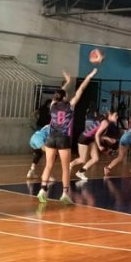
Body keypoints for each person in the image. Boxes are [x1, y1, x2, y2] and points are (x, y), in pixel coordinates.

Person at [36, 68, 100, 205]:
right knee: (65, 168)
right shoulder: (70, 105)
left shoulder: (52, 105)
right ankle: (64, 194)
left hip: (51, 137)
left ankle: (42, 190)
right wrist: (89, 76)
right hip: (63, 138)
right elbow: (81, 90)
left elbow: (58, 94)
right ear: (65, 97)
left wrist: (68, 81)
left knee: (48, 165)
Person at [71, 110, 119, 181]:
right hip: (84, 138)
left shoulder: (105, 121)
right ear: (110, 115)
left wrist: (108, 139)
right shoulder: (105, 123)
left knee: (95, 158)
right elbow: (97, 135)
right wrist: (99, 146)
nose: (117, 117)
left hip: (90, 139)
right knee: (82, 159)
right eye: (115, 115)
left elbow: (98, 134)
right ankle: (70, 165)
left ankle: (80, 172)